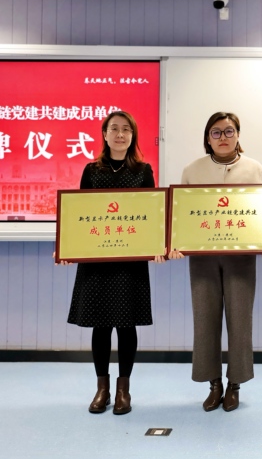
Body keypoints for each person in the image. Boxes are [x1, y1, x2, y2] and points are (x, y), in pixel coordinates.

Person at [169, 111, 262, 413]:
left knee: (240, 321)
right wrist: (176, 242)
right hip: (202, 258)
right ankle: (213, 384)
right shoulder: (193, 170)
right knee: (205, 320)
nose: (223, 137)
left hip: (240, 258)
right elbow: (182, 215)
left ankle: (235, 385)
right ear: (208, 138)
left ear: (238, 135)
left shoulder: (255, 169)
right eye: (216, 132)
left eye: (229, 131)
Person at [66, 110, 166, 415]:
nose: (120, 134)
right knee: (100, 324)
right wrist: (70, 247)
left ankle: (124, 390)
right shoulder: (91, 170)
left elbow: (151, 216)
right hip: (97, 259)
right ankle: (102, 389)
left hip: (129, 260)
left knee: (126, 324)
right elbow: (80, 215)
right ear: (105, 134)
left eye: (126, 129)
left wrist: (157, 245)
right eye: (114, 129)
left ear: (133, 135)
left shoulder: (143, 171)